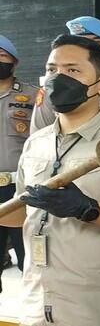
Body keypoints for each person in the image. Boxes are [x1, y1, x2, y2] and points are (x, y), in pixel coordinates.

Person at [0, 34, 100, 326]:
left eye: (72, 70)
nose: (58, 78)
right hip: (36, 305)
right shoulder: (36, 142)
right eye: (52, 70)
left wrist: (87, 208)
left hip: (96, 309)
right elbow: (23, 211)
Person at [0, 35, 37, 293]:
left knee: (31, 262)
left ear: (15, 63)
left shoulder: (34, 96)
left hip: (19, 189)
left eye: (2, 58)